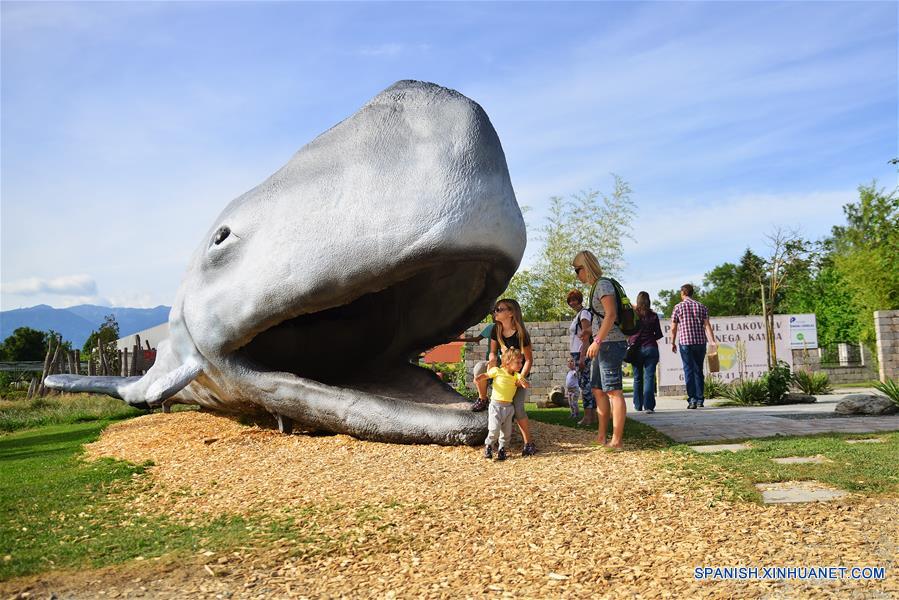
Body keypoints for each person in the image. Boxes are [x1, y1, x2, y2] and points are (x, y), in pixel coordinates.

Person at [572, 250, 628, 449]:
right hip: (603, 343)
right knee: (597, 389)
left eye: (577, 270)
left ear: (585, 268)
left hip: (610, 343)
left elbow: (611, 314)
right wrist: (589, 332)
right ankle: (602, 435)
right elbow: (602, 316)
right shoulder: (596, 286)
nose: (576, 274)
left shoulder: (603, 284)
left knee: (613, 391)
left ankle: (617, 440)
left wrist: (597, 341)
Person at [471, 298, 537, 457]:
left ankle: (528, 443)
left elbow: (528, 359)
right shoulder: (496, 329)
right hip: (501, 372)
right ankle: (483, 398)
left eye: (499, 309)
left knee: (519, 409)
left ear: (511, 313)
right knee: (480, 367)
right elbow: (493, 351)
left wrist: (521, 377)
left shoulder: (521, 334)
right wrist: (492, 358)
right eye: (495, 309)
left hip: (515, 376)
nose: (495, 312)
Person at [670, 284, 718, 409]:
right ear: (692, 293)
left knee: (688, 370)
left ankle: (692, 400)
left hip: (685, 342)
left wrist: (672, 342)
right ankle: (700, 399)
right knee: (698, 370)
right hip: (700, 342)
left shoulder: (678, 307)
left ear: (682, 293)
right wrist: (712, 341)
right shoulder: (701, 306)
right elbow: (707, 325)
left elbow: (674, 327)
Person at [476, 347, 529, 460]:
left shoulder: (516, 375)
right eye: (518, 362)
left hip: (509, 408)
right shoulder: (497, 371)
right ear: (508, 362)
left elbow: (523, 381)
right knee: (494, 429)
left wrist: (524, 383)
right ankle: (489, 446)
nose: (521, 365)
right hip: (495, 407)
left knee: (506, 433)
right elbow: (486, 375)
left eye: (521, 362)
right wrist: (480, 377)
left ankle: (502, 449)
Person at [629, 291, 663, 413]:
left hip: (636, 350)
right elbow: (658, 334)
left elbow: (627, 331)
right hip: (651, 348)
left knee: (637, 378)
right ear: (649, 301)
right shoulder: (653, 316)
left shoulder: (633, 315)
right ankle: (648, 407)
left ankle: (638, 405)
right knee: (649, 377)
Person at [566, 289, 594, 426]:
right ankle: (591, 416)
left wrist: (582, 357)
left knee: (585, 385)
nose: (572, 303)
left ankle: (588, 417)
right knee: (585, 384)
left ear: (580, 300)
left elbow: (586, 337)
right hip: (577, 353)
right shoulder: (578, 315)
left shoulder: (584, 314)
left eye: (574, 300)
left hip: (582, 353)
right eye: (570, 301)